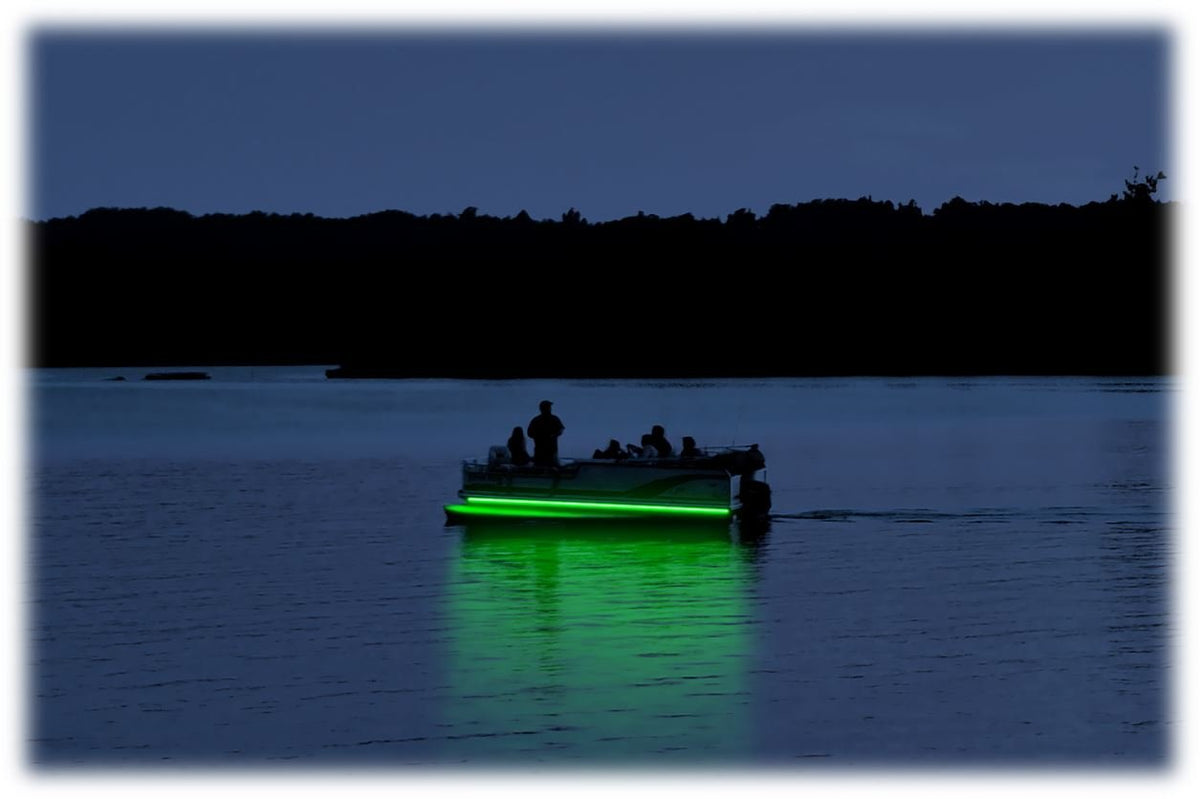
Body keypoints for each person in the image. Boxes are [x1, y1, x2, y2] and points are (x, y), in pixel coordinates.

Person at [527, 400, 565, 467]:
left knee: (540, 468)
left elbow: (529, 433)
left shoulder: (536, 420)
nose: (550, 409)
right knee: (551, 467)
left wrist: (538, 437)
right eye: (549, 407)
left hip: (541, 450)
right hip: (549, 450)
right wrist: (552, 436)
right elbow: (561, 429)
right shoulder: (554, 419)